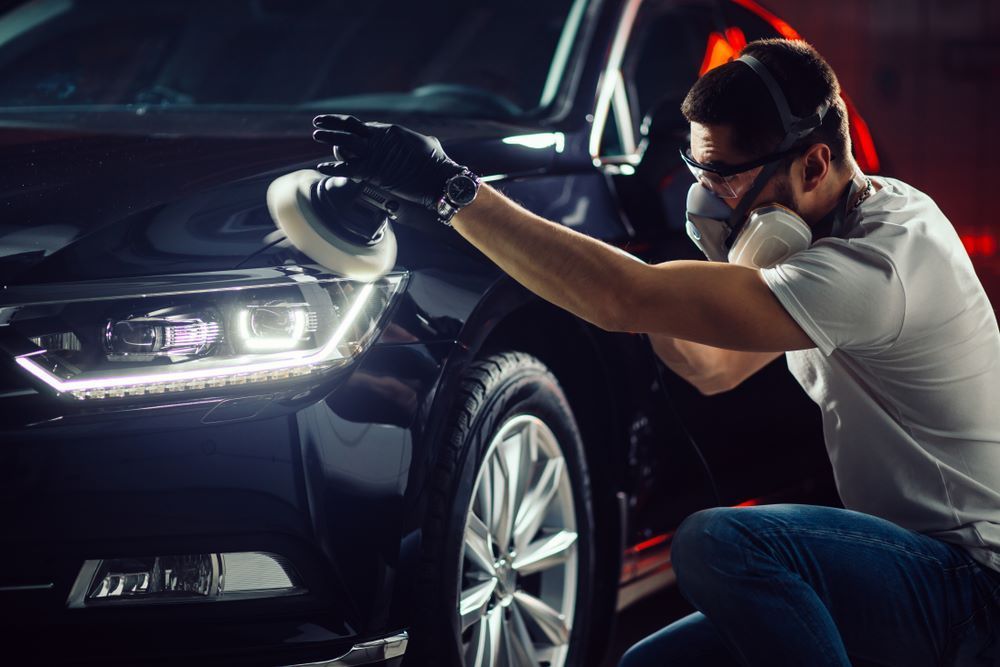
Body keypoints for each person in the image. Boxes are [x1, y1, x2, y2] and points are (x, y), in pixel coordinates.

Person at [311, 38, 1000, 667]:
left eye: (725, 176)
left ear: (815, 162)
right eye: (699, 170)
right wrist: (681, 278)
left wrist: (448, 188)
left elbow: (620, 298)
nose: (708, 196)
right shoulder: (838, 228)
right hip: (907, 570)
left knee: (721, 543)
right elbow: (713, 367)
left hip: (971, 588)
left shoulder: (878, 266)